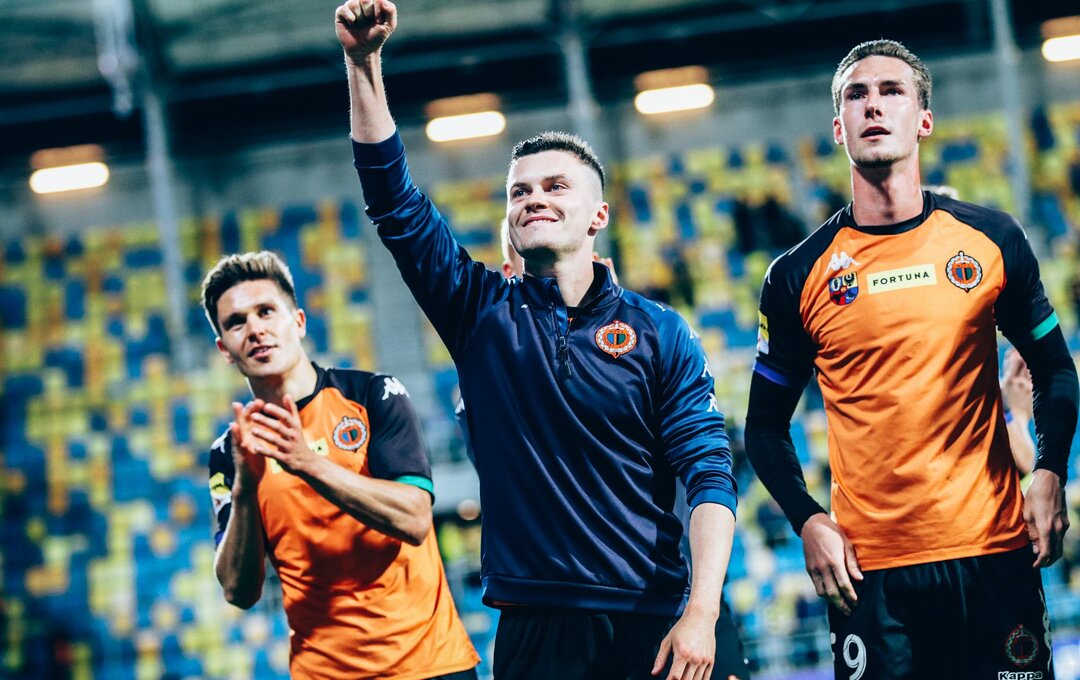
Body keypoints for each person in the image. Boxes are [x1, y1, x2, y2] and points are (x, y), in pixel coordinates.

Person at [336, 3, 740, 679]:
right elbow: (393, 201)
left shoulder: (660, 331)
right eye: (518, 191)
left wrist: (702, 612)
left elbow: (709, 475)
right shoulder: (480, 312)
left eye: (555, 186)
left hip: (657, 620)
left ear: (598, 215)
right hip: (536, 630)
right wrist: (362, 63)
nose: (533, 198)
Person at [744, 39, 1079, 678]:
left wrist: (1050, 472)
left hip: (995, 554)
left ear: (924, 119)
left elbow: (1056, 369)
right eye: (856, 95)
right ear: (838, 127)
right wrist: (807, 519)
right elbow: (762, 426)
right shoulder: (796, 275)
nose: (873, 104)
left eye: (891, 90)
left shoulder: (992, 239)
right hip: (871, 575)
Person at [201, 251, 480, 679]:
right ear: (225, 349)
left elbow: (414, 519)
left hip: (431, 663)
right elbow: (239, 591)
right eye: (236, 322)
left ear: (298, 322)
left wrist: (306, 463)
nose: (255, 329)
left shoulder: (373, 395)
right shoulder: (233, 451)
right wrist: (243, 492)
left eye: (266, 311)